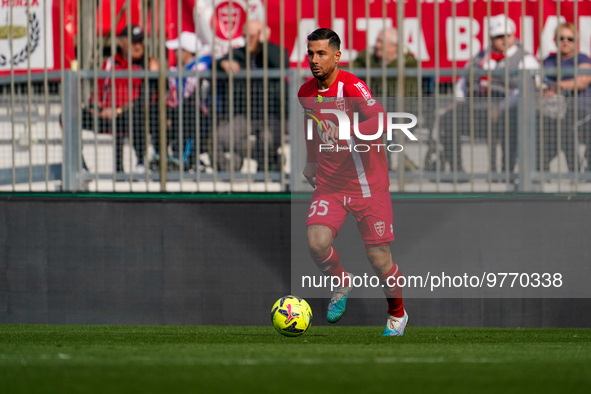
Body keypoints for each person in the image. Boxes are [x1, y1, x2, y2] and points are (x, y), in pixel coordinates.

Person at [298, 28, 407, 336]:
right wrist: (311, 160)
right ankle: (342, 281)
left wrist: (347, 129)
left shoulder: (353, 86)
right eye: (311, 53)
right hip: (331, 185)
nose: (314, 60)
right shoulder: (306, 92)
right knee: (317, 244)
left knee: (378, 258)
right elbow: (313, 124)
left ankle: (396, 314)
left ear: (337, 56)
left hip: (368, 185)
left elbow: (381, 119)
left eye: (321, 54)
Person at [441, 15, 538, 175]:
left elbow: (526, 90)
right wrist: (459, 100)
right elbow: (462, 81)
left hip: (506, 111)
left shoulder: (525, 58)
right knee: (449, 119)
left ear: (513, 34)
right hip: (477, 109)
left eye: (506, 35)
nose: (503, 40)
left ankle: (506, 172)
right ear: (491, 38)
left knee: (515, 120)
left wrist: (501, 107)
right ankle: (457, 170)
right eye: (498, 36)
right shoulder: (480, 57)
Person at [81, 25, 158, 174]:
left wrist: (118, 110)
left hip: (130, 115)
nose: (138, 46)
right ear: (122, 42)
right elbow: (98, 89)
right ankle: (79, 164)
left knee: (137, 114)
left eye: (141, 42)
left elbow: (148, 98)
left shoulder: (148, 64)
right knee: (69, 116)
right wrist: (96, 107)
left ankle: (141, 163)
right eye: (134, 42)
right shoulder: (110, 63)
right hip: (106, 115)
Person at [216, 19, 289, 172]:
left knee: (268, 140)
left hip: (270, 112)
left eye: (250, 36)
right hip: (245, 113)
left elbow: (281, 63)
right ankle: (232, 166)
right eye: (244, 36)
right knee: (221, 137)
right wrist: (223, 63)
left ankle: (268, 165)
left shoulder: (275, 51)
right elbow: (216, 62)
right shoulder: (239, 53)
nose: (246, 40)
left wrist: (264, 43)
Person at [539, 22, 591, 173]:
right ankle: (540, 173)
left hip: (582, 111)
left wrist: (558, 86)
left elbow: (582, 81)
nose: (565, 42)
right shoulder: (548, 61)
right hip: (552, 113)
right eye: (561, 38)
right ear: (555, 40)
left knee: (566, 129)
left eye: (570, 39)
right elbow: (536, 82)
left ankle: (577, 172)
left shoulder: (582, 59)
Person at [161, 32, 212, 171]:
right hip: (178, 110)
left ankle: (184, 158)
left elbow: (189, 95)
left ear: (187, 52)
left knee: (187, 114)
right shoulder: (178, 69)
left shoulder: (199, 68)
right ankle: (161, 156)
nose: (175, 53)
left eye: (179, 50)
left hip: (195, 113)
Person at [352, 27, 419, 98]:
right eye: (377, 41)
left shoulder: (409, 64)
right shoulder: (365, 59)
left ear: (395, 46)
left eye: (381, 42)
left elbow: (408, 93)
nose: (377, 45)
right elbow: (347, 72)